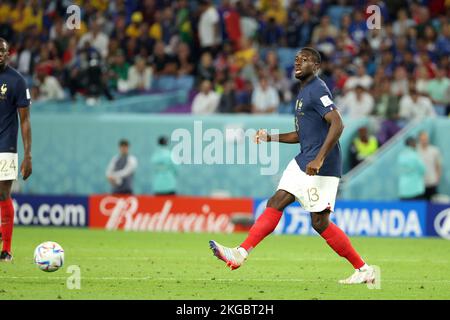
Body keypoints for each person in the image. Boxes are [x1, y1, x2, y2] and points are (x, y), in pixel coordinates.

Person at [210, 47, 375, 284]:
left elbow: (338, 124)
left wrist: (319, 158)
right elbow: (302, 134)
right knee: (277, 201)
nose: (298, 63)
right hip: (303, 160)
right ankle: (240, 252)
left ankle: (363, 269)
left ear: (316, 67)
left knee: (319, 222)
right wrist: (270, 137)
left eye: (305, 60)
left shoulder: (317, 89)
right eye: (296, 60)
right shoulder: (303, 92)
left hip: (321, 165)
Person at [0, 38, 32, 262]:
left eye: (1, 51)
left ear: (8, 54)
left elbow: (25, 121)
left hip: (5, 146)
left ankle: (6, 249)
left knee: (3, 194)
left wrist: (27, 154)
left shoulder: (17, 81)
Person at [417, 131, 442, 201]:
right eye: (422, 139)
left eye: (425, 139)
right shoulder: (416, 150)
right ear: (419, 139)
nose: (424, 141)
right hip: (419, 183)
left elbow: (438, 165)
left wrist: (437, 178)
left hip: (432, 181)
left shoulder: (434, 150)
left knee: (432, 202)